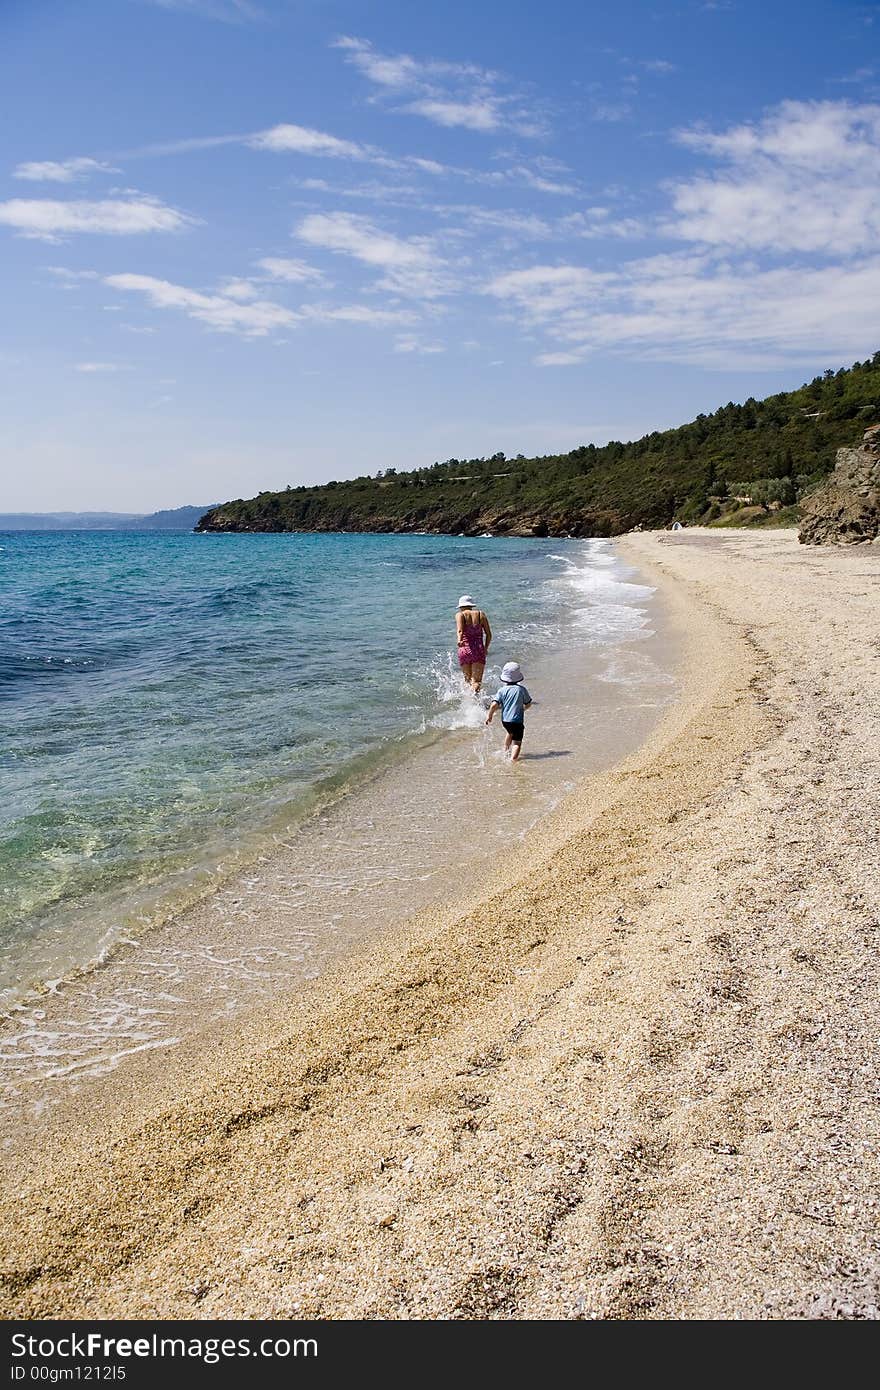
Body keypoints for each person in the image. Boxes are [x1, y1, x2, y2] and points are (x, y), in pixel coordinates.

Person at [485, 661, 532, 761]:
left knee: (510, 732)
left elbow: (494, 705)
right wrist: (523, 709)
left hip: (505, 721)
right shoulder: (521, 690)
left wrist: (490, 716)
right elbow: (528, 703)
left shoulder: (502, 690)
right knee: (517, 742)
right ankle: (512, 760)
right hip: (517, 721)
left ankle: (505, 750)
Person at [455, 594, 492, 692]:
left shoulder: (460, 615)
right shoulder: (481, 614)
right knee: (476, 682)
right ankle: (476, 704)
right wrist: (485, 648)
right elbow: (489, 634)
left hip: (464, 650)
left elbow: (460, 631)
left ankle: (467, 703)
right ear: (471, 605)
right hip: (478, 650)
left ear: (461, 606)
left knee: (467, 681)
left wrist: (459, 640)